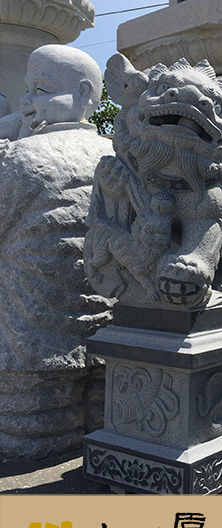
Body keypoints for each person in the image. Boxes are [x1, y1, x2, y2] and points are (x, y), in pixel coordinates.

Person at [0, 45, 113, 461]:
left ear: (85, 94)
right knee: (94, 439)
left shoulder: (20, 159)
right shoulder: (122, 157)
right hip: (109, 346)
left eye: (41, 90)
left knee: (29, 447)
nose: (28, 103)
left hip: (27, 351)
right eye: (28, 91)